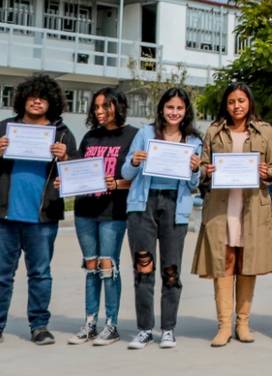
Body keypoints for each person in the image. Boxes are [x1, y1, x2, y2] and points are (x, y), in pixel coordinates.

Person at [0, 73, 78, 348]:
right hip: (4, 217)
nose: (37, 100)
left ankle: (39, 326)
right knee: (0, 275)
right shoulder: (3, 128)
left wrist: (65, 158)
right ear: (23, 99)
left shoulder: (62, 133)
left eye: (42, 97)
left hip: (42, 217)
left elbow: (77, 175)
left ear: (51, 102)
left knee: (40, 273)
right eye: (32, 96)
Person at [193, 83, 272, 347]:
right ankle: (223, 326)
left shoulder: (264, 130)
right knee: (225, 261)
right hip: (222, 206)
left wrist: (269, 172)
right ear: (226, 104)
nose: (237, 106)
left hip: (253, 206)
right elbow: (201, 164)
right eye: (232, 101)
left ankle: (243, 323)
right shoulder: (213, 130)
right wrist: (205, 170)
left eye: (241, 101)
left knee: (247, 262)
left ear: (249, 102)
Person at [120, 87, 203, 349]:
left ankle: (168, 329)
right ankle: (144, 328)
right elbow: (126, 172)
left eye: (179, 108)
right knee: (144, 267)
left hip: (174, 206)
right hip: (143, 204)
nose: (174, 112)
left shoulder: (193, 141)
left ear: (186, 111)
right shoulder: (144, 134)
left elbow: (192, 185)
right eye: (170, 107)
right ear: (161, 109)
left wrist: (193, 170)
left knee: (171, 271)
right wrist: (134, 161)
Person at [65, 88, 138, 347]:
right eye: (95, 107)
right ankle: (90, 322)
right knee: (91, 266)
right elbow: (78, 172)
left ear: (118, 106)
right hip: (85, 211)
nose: (99, 112)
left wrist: (116, 183)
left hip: (113, 213)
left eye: (105, 106)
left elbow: (138, 179)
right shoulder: (89, 137)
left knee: (109, 266)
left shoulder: (132, 136)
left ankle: (112, 324)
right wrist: (65, 182)